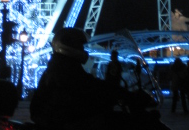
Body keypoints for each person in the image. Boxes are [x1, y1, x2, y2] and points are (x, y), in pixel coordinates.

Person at [30, 27, 168, 130]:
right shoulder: (63, 68)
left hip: (66, 118)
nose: (83, 50)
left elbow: (89, 84)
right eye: (79, 46)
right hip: (66, 121)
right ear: (69, 46)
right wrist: (124, 95)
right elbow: (88, 85)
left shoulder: (61, 65)